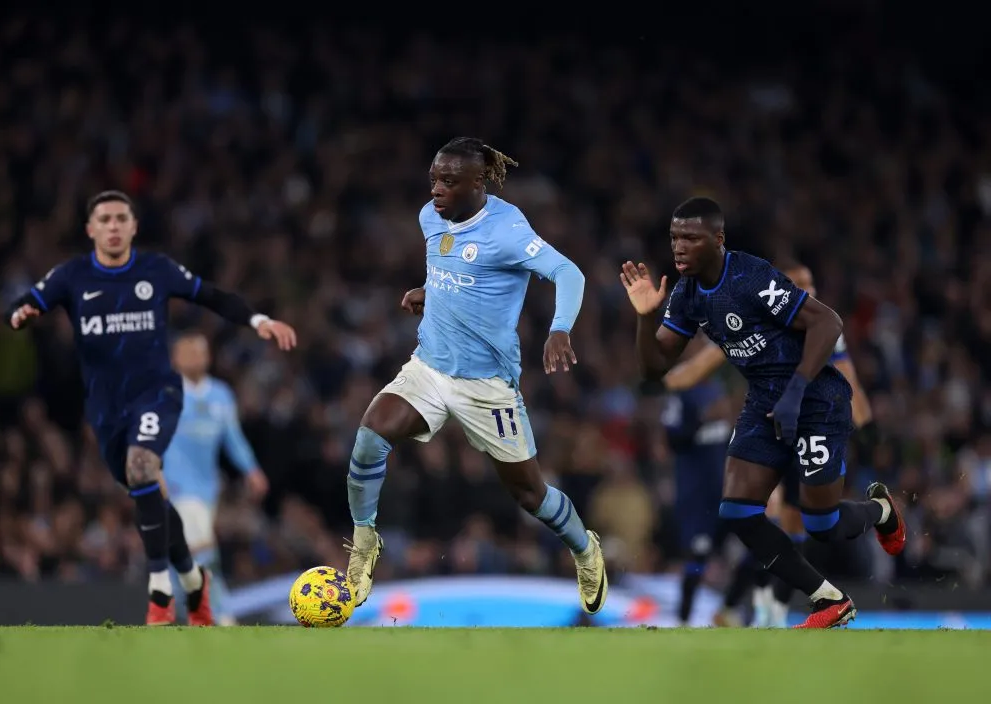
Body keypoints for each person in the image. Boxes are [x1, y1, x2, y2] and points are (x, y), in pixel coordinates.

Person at [6, 190, 296, 626]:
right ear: (91, 229)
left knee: (143, 468)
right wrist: (21, 314)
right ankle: (194, 581)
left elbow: (212, 296)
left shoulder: (155, 269)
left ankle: (160, 588)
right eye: (104, 219)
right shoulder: (72, 276)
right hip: (106, 409)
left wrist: (259, 321)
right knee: (151, 497)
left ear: (134, 226)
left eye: (122, 217)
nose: (114, 225)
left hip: (158, 393)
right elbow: (24, 301)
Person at [343, 137, 607, 614]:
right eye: (433, 180)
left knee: (531, 495)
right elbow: (452, 272)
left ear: (477, 183)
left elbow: (570, 274)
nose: (436, 191)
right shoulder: (431, 217)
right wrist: (428, 292)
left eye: (448, 182)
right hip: (429, 366)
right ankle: (364, 541)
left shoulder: (506, 229)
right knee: (370, 435)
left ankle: (585, 550)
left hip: (486, 385)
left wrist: (560, 329)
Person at [620, 196, 904, 629]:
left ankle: (881, 510)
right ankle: (828, 599)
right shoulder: (687, 294)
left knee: (821, 522)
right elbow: (654, 367)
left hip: (814, 399)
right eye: (674, 237)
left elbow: (827, 322)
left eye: (690, 238)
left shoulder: (751, 277)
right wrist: (645, 318)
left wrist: (795, 394)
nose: (678, 246)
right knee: (737, 510)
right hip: (765, 401)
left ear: (717, 240)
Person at [661, 256, 877, 627]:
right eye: (798, 284)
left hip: (812, 426)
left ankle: (767, 606)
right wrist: (662, 377)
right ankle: (750, 607)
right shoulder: (754, 315)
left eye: (810, 284)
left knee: (806, 526)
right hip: (769, 432)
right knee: (757, 515)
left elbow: (848, 377)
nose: (807, 292)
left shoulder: (823, 328)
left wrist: (866, 431)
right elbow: (698, 367)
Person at [163, 331, 269, 626]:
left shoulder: (221, 394)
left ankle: (186, 613)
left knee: (186, 555)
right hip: (175, 486)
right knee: (203, 547)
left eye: (201, 351)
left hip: (208, 489)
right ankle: (220, 616)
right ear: (176, 358)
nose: (197, 357)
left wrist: (252, 469)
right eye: (189, 352)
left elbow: (233, 438)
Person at [660, 344, 758, 626]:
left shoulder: (716, 388)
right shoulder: (682, 388)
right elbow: (672, 438)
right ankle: (683, 621)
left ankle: (729, 609)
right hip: (698, 495)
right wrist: (704, 418)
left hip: (726, 491)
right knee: (698, 556)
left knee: (756, 546)